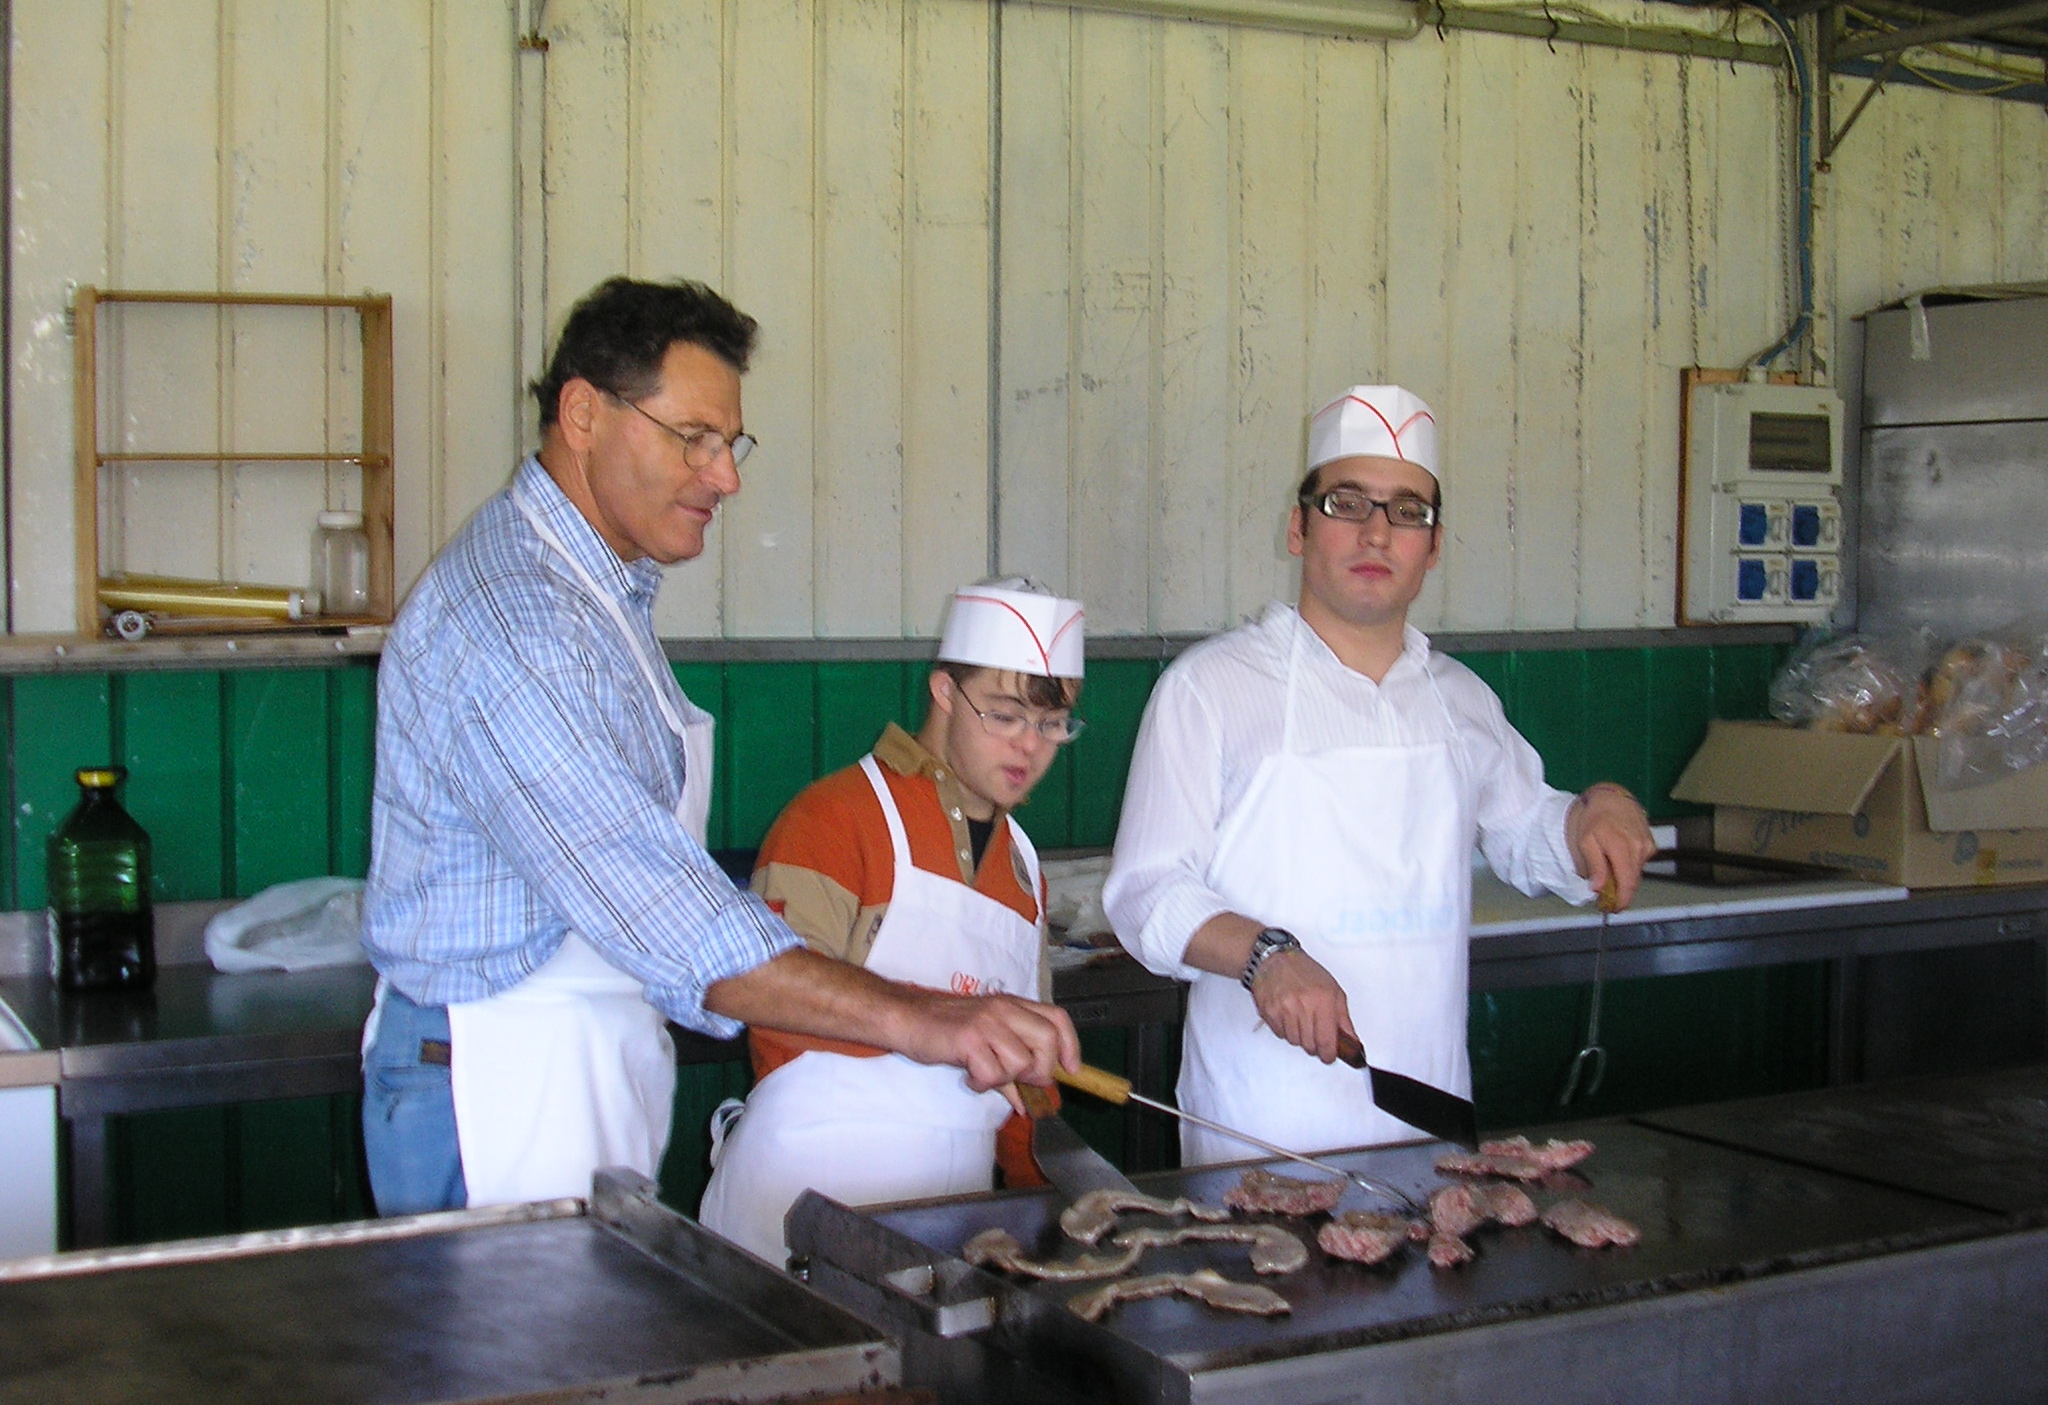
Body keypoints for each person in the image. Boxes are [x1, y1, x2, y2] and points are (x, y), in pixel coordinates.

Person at [359, 277, 1078, 1216]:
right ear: (583, 414)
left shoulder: (598, 596)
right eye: (692, 437)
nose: (725, 477)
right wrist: (929, 1017)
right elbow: (660, 911)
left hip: (575, 1063)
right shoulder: (515, 616)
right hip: (497, 1082)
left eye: (729, 444)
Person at [1101, 384, 1657, 1164]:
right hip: (1262, 1128)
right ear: (1298, 527)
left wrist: (1600, 807)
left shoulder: (1459, 699)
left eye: (1407, 511)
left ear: (1433, 545)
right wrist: (1265, 955)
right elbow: (1147, 891)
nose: (1376, 532)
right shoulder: (1211, 687)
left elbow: (1531, 829)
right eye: (1347, 503)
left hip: (1427, 1116)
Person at [697, 578, 1085, 1263]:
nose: (1030, 746)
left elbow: (1027, 1076)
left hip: (953, 1222)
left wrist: (1057, 1203)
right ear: (944, 692)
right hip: (801, 1205)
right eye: (1004, 716)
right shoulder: (833, 818)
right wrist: (931, 1020)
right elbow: (758, 993)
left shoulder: (1024, 869)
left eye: (1052, 724)